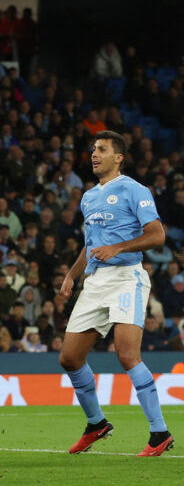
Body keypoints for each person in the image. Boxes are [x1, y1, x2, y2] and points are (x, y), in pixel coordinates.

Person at [58, 131, 173, 456]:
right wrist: (71, 274)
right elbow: (91, 245)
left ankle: (159, 433)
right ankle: (96, 423)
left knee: (127, 355)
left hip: (126, 279)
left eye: (102, 150)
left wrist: (119, 247)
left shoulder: (135, 189)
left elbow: (157, 235)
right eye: (93, 149)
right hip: (95, 282)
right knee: (69, 358)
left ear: (118, 157)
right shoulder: (88, 197)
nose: (94, 154)